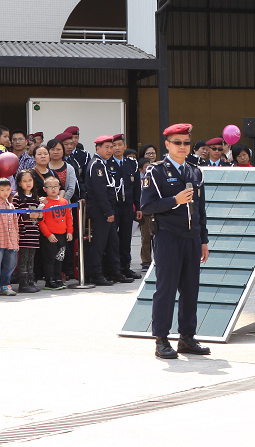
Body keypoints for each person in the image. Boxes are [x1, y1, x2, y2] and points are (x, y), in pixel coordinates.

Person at [139, 123, 211, 359]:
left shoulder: (195, 172)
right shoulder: (156, 171)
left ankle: (187, 338)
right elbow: (147, 206)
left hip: (192, 238)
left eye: (186, 142)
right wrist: (175, 200)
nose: (182, 146)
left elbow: (200, 209)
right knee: (166, 289)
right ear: (167, 145)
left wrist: (203, 239)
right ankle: (161, 339)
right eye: (177, 142)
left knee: (190, 290)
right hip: (168, 236)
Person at [84, 135, 123, 285]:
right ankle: (96, 274)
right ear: (97, 148)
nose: (110, 150)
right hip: (101, 210)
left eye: (111, 147)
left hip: (108, 208)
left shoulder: (103, 163)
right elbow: (100, 192)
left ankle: (114, 271)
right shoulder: (96, 165)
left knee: (113, 242)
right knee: (99, 244)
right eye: (106, 147)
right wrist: (108, 212)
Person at [109, 135, 140, 279]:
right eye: (114, 145)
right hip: (114, 206)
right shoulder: (107, 163)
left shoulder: (131, 163)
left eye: (119, 145)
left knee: (126, 237)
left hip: (128, 206)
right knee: (113, 238)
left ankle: (125, 266)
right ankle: (114, 268)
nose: (117, 148)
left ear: (125, 147)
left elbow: (137, 187)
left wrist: (138, 207)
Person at [11, 170, 43, 293]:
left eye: (30, 180)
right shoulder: (17, 198)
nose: (28, 183)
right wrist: (29, 216)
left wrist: (39, 215)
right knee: (24, 259)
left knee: (31, 259)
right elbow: (15, 216)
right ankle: (23, 283)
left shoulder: (35, 198)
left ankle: (31, 281)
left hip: (34, 233)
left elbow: (40, 217)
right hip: (24, 234)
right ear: (19, 183)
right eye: (24, 181)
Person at [38, 176, 72, 289]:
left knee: (60, 258)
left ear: (59, 188)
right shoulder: (44, 203)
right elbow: (41, 221)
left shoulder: (64, 201)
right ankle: (49, 280)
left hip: (62, 235)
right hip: (50, 236)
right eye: (50, 187)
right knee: (50, 259)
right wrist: (48, 234)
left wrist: (70, 231)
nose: (53, 189)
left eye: (55, 186)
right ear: (44, 189)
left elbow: (68, 217)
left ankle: (58, 278)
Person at [0, 178, 18, 296]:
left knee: (10, 264)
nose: (5, 192)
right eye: (2, 190)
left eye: (7, 189)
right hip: (1, 240)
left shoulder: (11, 206)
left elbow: (16, 224)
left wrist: (16, 240)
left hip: (11, 240)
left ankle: (5, 285)